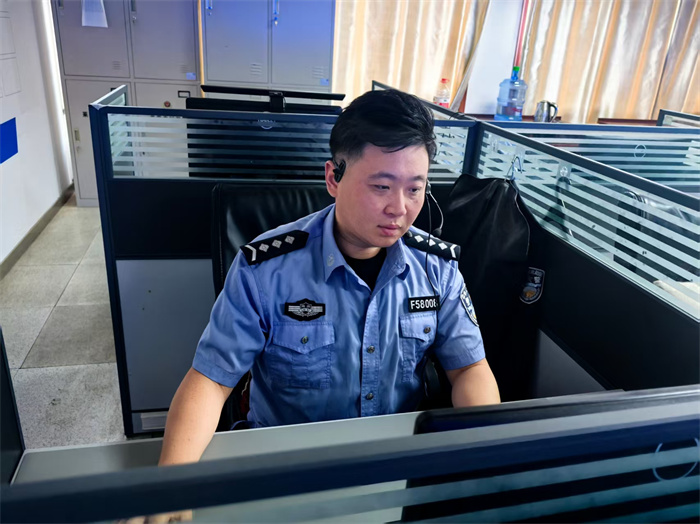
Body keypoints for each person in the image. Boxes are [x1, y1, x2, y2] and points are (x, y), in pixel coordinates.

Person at [159, 88, 500, 469]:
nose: (399, 208)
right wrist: (172, 484)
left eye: (415, 189)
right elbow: (211, 380)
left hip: (395, 462)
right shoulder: (265, 269)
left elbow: (469, 368)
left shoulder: (436, 268)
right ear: (333, 178)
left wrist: (484, 458)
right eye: (382, 186)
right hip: (287, 466)